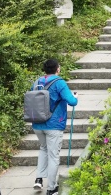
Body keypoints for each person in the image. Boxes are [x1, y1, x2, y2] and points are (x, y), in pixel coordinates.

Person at [32, 59, 78, 195]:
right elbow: (72, 101)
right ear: (57, 69)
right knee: (53, 156)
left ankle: (38, 180)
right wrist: (76, 97)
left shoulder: (37, 82)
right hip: (53, 124)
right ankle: (52, 188)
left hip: (37, 123)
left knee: (43, 148)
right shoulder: (59, 83)